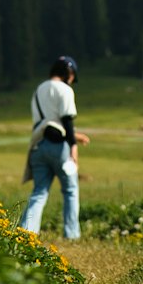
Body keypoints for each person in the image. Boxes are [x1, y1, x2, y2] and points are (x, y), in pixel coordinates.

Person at [19, 55, 90, 240]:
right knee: (70, 190)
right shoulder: (64, 90)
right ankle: (72, 234)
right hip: (59, 148)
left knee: (39, 192)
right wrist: (74, 146)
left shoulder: (38, 90)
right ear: (69, 72)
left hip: (37, 146)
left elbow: (47, 121)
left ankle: (26, 231)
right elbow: (66, 120)